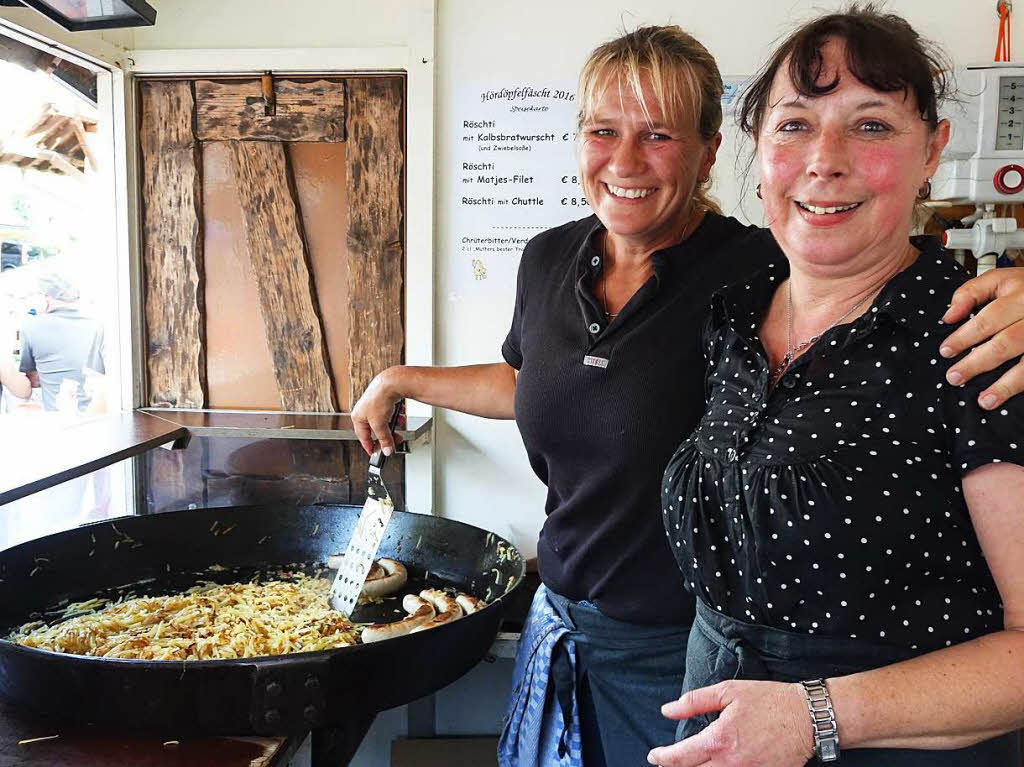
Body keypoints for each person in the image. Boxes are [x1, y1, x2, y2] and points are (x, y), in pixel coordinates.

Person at [352, 25, 1024, 767]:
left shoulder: (767, 276)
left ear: (710, 153)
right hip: (584, 628)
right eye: (603, 130)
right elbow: (537, 384)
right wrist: (403, 378)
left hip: (695, 662)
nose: (627, 161)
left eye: (659, 135)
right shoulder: (684, 299)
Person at [653, 7, 1024, 766]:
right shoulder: (732, 314)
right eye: (794, 125)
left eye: (873, 126)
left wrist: (812, 715)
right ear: (757, 151)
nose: (825, 159)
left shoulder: (978, 339)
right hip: (717, 733)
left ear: (933, 151)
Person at [19, 271, 105, 413]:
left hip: (57, 418)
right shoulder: (97, 324)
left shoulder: (30, 327)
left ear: (46, 297)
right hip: (97, 415)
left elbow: (33, 381)